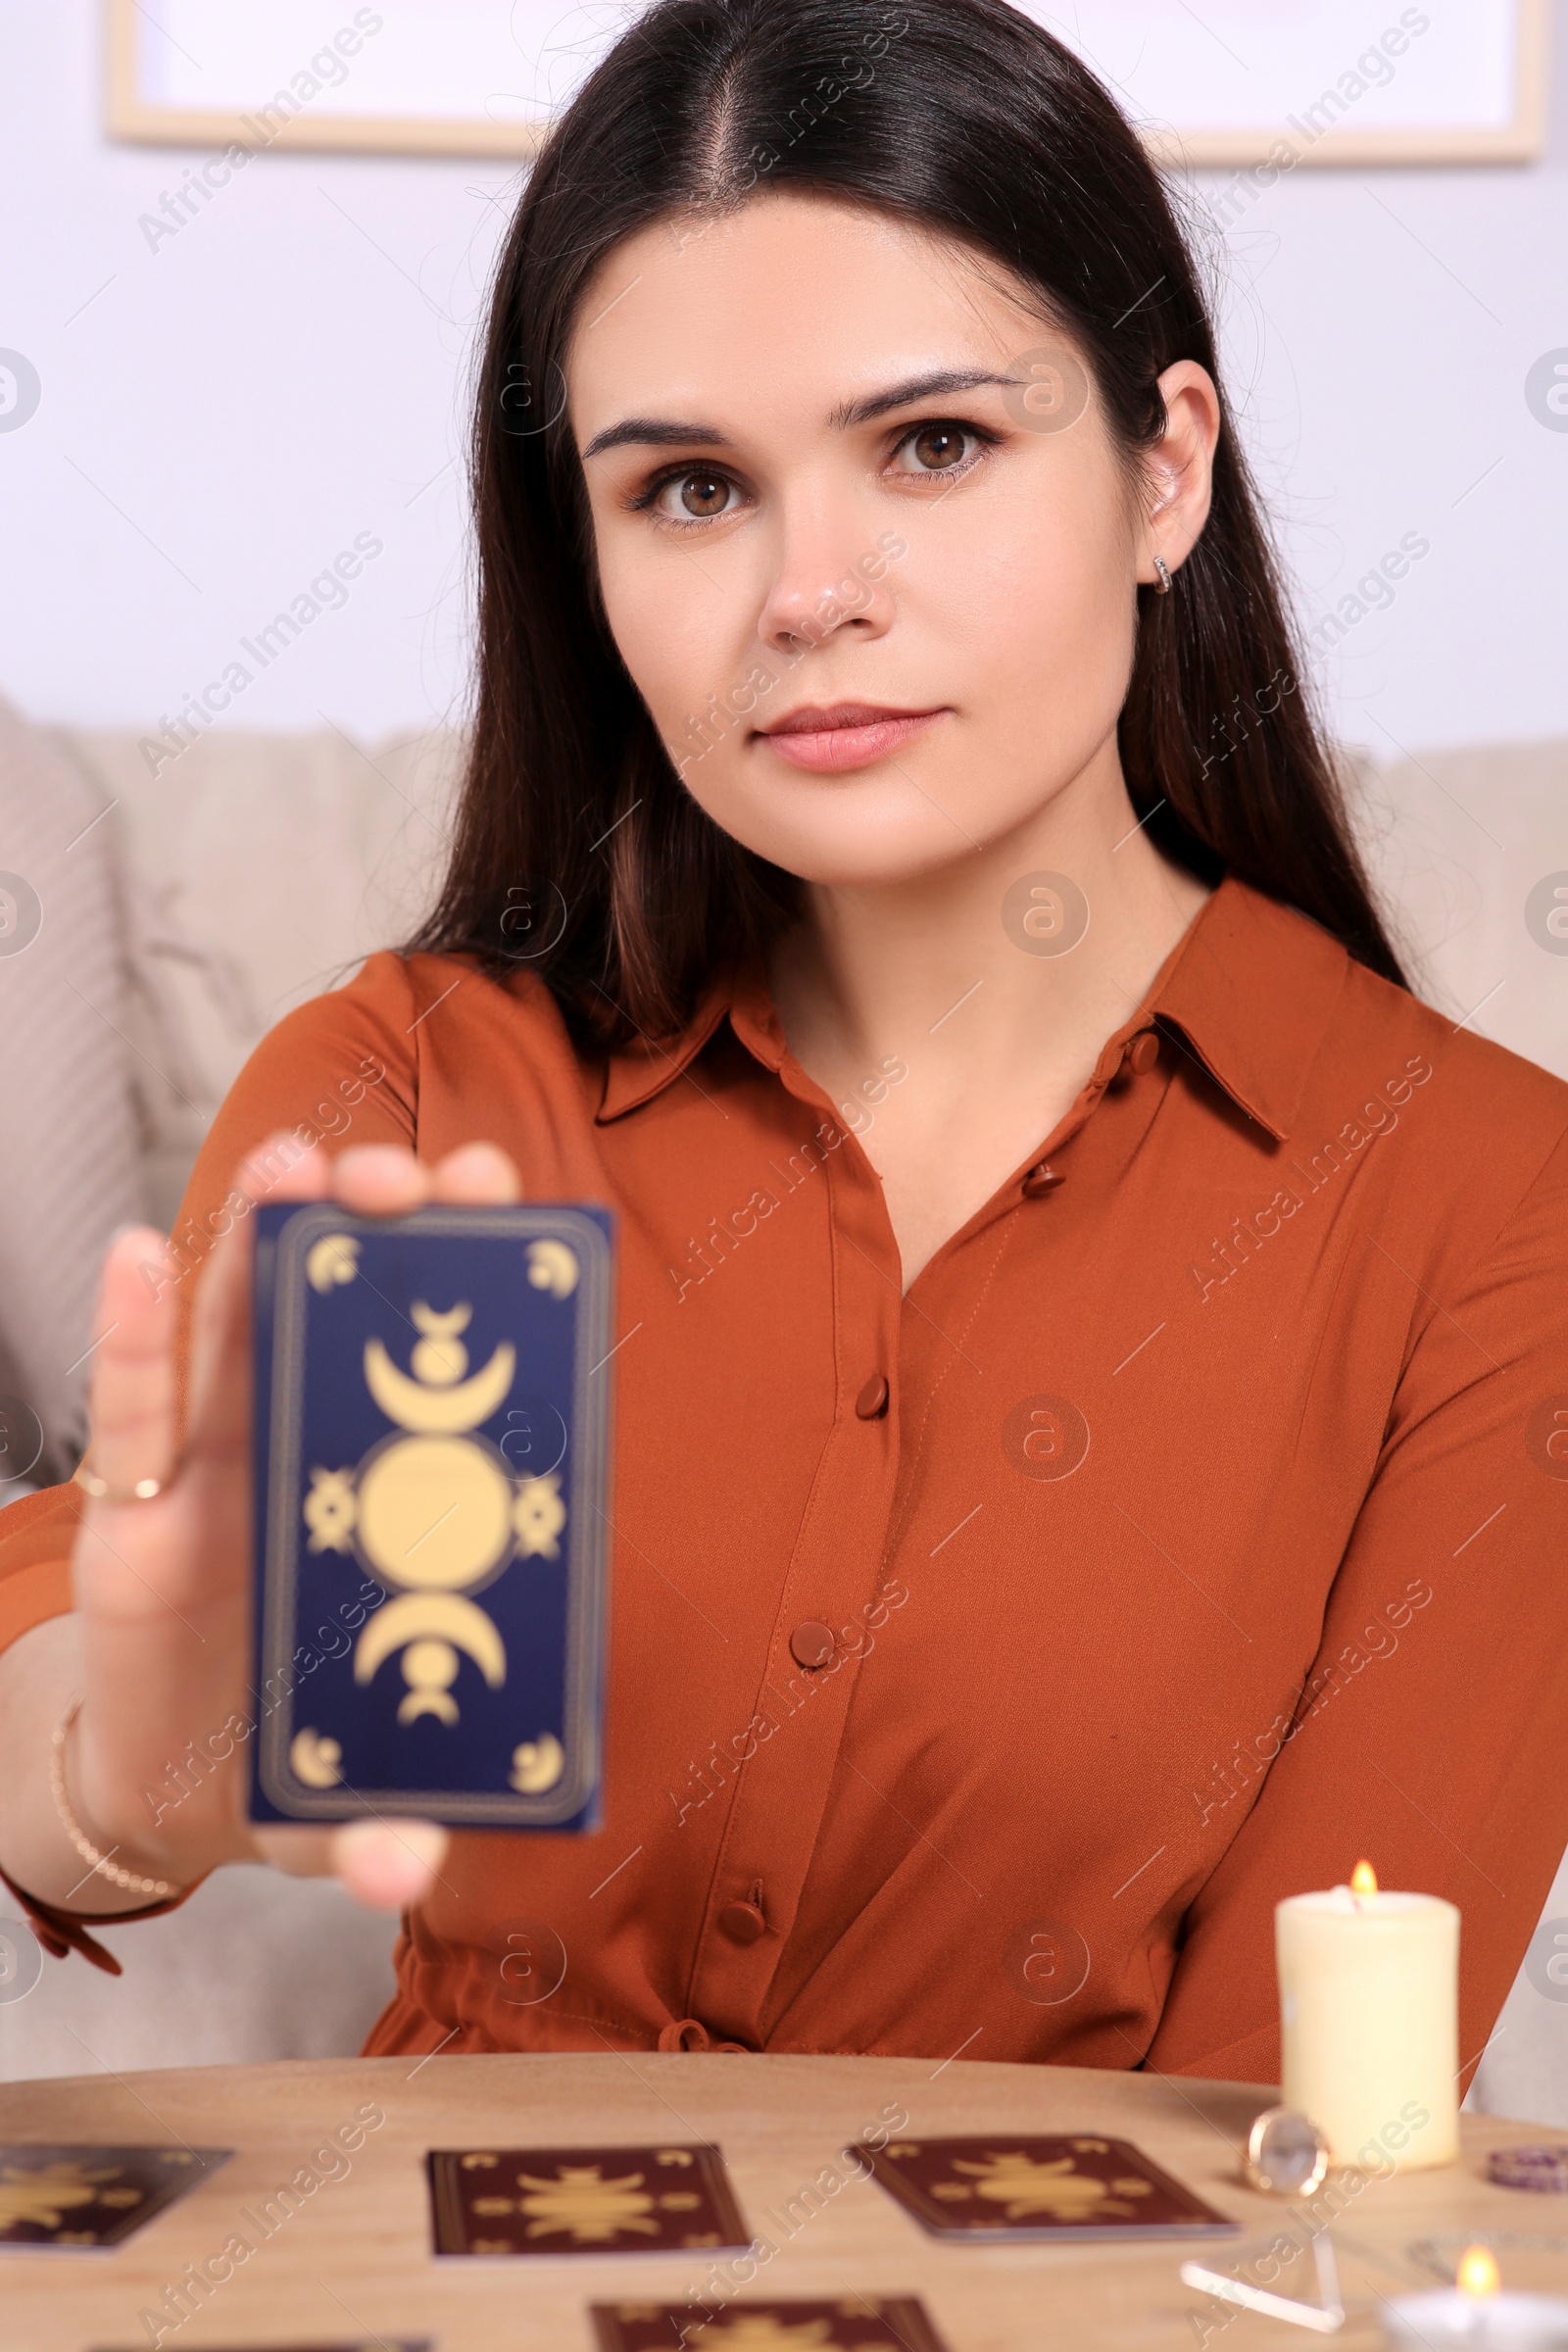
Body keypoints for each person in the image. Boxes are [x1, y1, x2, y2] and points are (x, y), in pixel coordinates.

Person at [2, 0, 1565, 2084]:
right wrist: (135, 1765)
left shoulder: (1488, 1211)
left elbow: (1293, 2138)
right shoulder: (396, 1096)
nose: (806, 592)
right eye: (688, 489)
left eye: (930, 444)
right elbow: (64, 1684)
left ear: (1161, 468)